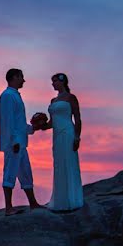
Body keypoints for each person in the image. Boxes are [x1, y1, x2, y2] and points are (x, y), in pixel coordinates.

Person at [36, 72, 84, 211]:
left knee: (69, 162)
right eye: (52, 81)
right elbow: (51, 122)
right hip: (57, 136)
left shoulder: (70, 98)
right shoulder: (53, 101)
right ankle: (61, 199)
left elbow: (78, 118)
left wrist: (77, 137)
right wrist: (41, 125)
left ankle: (72, 199)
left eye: (55, 81)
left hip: (68, 133)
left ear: (62, 82)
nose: (53, 84)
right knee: (59, 164)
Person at [0, 68, 40, 215]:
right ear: (14, 77)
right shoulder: (8, 96)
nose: (23, 80)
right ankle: (8, 207)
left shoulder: (16, 96)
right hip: (14, 143)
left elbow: (19, 122)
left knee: (25, 172)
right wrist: (13, 141)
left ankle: (33, 203)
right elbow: (8, 121)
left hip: (21, 142)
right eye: (21, 77)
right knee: (10, 173)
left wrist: (32, 128)